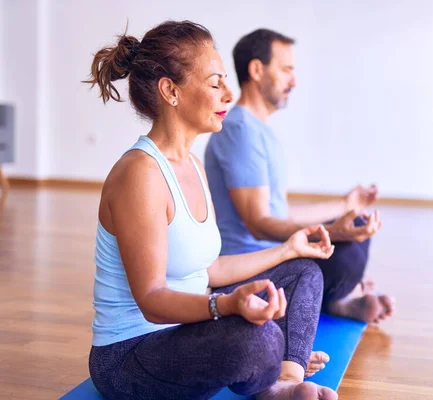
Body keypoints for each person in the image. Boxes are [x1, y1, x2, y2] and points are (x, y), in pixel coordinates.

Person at [85, 20, 338, 400]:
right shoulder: (140, 173)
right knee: (259, 335)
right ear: (170, 90)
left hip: (183, 333)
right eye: (215, 82)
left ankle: (287, 376)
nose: (229, 94)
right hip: (131, 357)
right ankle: (271, 376)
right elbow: (152, 299)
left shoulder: (193, 165)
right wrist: (226, 306)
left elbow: (212, 268)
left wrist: (289, 248)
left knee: (303, 272)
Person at [205, 29, 394, 324]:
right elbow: (258, 224)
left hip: (278, 253)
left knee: (356, 223)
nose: (293, 81)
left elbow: (279, 212)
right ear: (257, 70)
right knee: (348, 250)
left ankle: (332, 300)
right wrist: (332, 232)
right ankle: (332, 298)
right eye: (286, 70)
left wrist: (346, 204)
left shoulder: (256, 129)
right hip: (252, 269)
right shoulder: (241, 131)